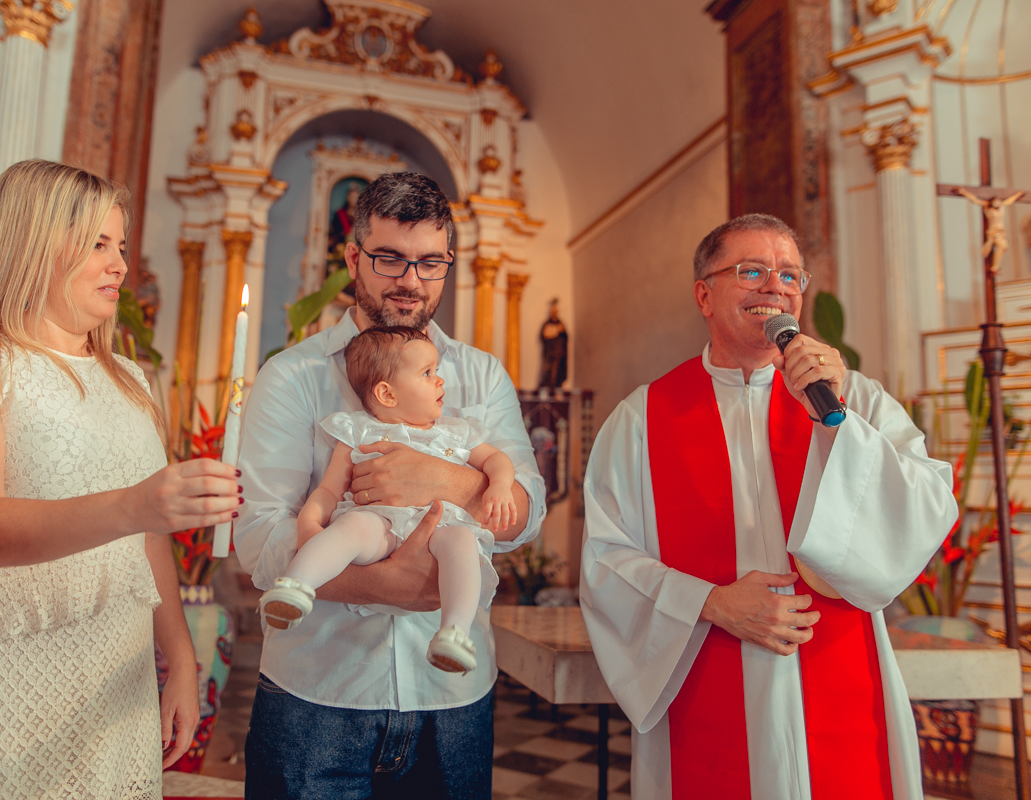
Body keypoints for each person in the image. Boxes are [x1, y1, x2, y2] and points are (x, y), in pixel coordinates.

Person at [0, 160, 240, 800]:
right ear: (31, 243)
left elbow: (149, 538)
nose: (120, 265)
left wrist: (179, 657)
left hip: (109, 679)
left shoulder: (128, 377)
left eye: (120, 246)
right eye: (98, 244)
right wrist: (134, 505)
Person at [579, 213, 956, 799]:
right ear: (704, 294)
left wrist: (841, 428)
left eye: (790, 275)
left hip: (841, 677)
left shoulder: (854, 399)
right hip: (707, 682)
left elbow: (926, 507)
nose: (775, 287)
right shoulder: (641, 420)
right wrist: (711, 602)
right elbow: (606, 558)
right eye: (750, 270)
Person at [236, 171, 546, 799]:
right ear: (353, 256)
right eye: (389, 258)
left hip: (451, 701)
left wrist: (445, 479)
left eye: (430, 263)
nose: (410, 281)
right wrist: (384, 584)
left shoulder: (481, 377)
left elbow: (527, 516)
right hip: (316, 694)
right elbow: (258, 535)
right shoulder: (292, 376)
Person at [258, 325, 517, 674]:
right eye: (427, 373)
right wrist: (309, 521)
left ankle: (454, 633)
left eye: (436, 371)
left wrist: (499, 485)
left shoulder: (454, 431)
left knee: (463, 542)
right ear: (387, 394)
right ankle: (296, 586)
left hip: (438, 529)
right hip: (379, 526)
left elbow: (496, 460)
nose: (440, 381)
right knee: (353, 526)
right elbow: (330, 490)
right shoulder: (359, 431)